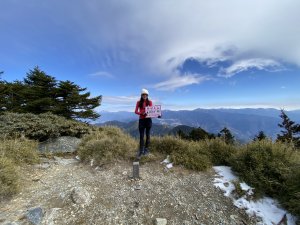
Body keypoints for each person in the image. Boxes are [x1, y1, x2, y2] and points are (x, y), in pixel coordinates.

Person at [135, 88, 153, 159]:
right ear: (141, 95)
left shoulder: (150, 102)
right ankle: (141, 150)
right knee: (141, 136)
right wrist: (141, 113)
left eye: (146, 95)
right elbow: (136, 111)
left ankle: (146, 149)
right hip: (142, 120)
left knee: (148, 135)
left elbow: (152, 111)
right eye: (143, 94)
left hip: (148, 120)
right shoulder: (138, 102)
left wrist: (158, 114)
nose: (144, 96)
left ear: (147, 95)